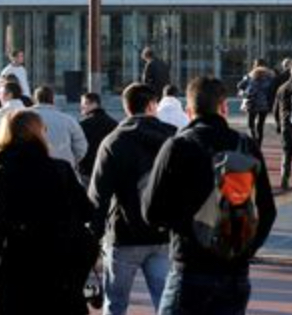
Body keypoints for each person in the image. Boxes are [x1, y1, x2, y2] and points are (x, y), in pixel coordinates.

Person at [142, 76, 277, 315]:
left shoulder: (177, 146)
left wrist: (182, 228)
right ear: (223, 106)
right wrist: (246, 250)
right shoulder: (245, 145)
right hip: (234, 270)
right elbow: (268, 210)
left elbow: (152, 211)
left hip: (190, 265)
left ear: (189, 110)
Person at [0, 110, 95, 315]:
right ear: (40, 133)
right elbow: (87, 212)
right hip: (61, 265)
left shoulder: (1, 175)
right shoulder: (61, 169)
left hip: (18, 266)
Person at [89, 83, 176, 314]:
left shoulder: (113, 141)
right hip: (163, 233)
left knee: (115, 303)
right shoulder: (172, 137)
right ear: (151, 105)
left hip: (123, 233)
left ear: (126, 108)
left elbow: (99, 195)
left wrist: (93, 236)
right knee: (166, 301)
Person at [31, 85, 88, 168]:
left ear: (34, 99)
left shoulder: (23, 118)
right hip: (63, 168)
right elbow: (81, 146)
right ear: (53, 99)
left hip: (31, 167)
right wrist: (72, 161)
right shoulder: (68, 120)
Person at [78, 91, 118, 185]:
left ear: (94, 104)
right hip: (108, 169)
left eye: (84, 104)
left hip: (87, 170)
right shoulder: (113, 123)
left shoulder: (83, 125)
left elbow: (79, 148)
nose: (82, 107)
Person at [237, 59, 275, 148]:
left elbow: (239, 85)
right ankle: (259, 144)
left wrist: (244, 91)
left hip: (251, 103)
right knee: (260, 125)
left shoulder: (250, 76)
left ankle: (253, 140)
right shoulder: (269, 77)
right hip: (264, 103)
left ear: (255, 66)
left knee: (250, 124)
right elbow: (273, 89)